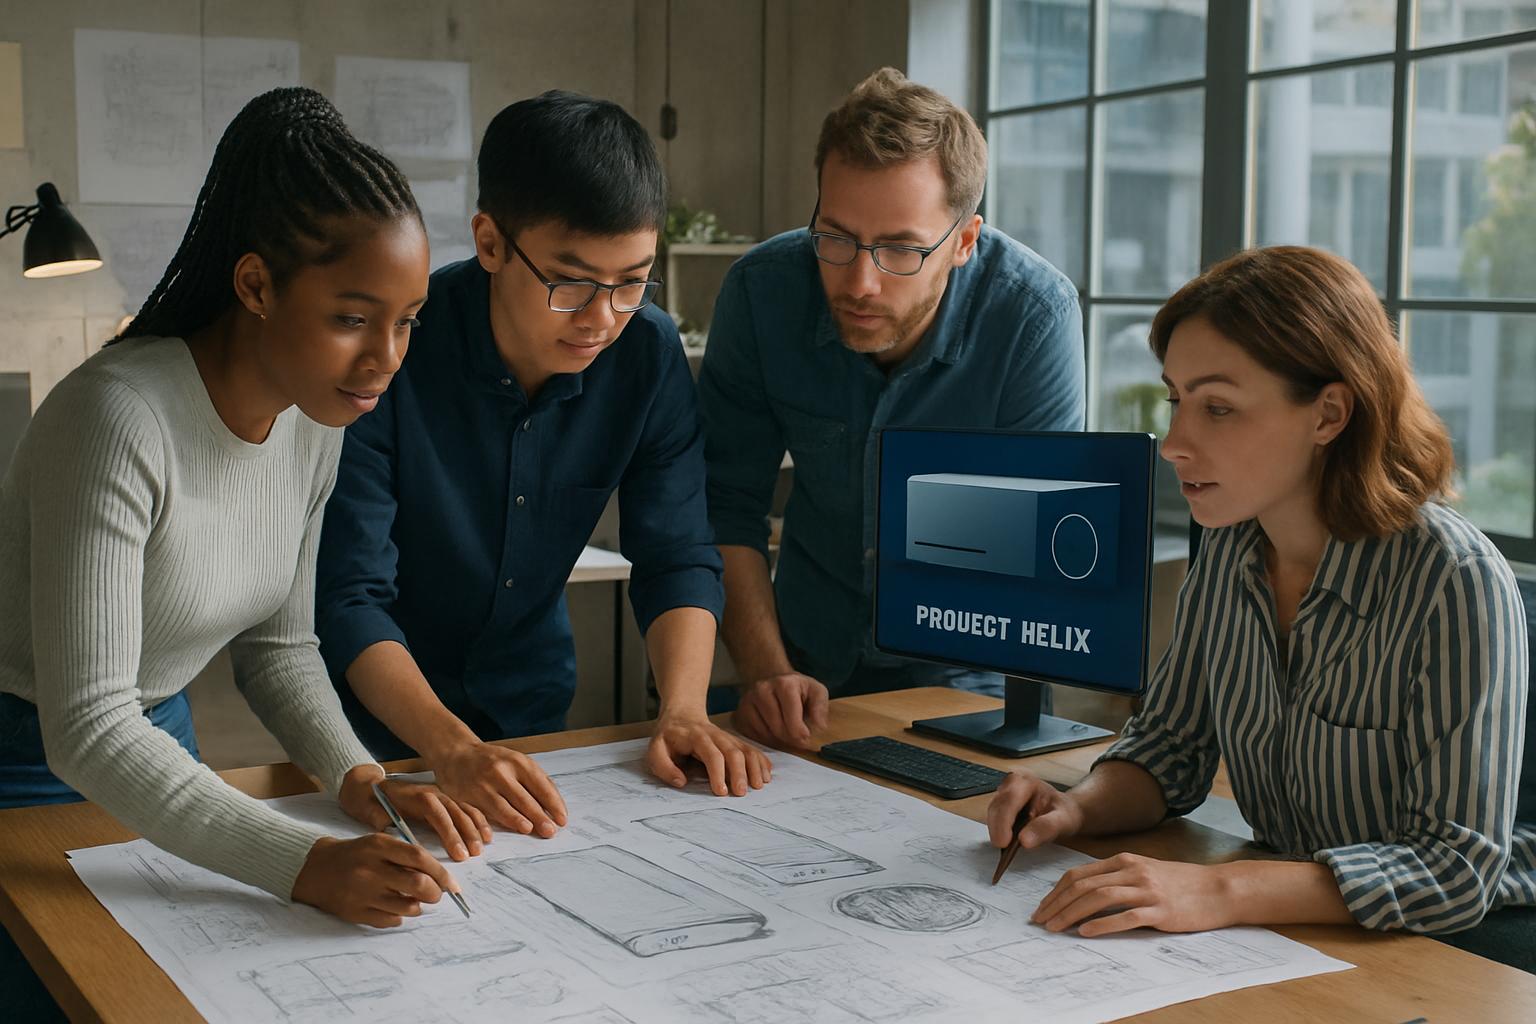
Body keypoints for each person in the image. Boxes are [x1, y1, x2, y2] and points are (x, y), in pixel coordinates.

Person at [0, 87, 493, 1017]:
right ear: (258, 285)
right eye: (354, 317)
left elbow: (281, 647)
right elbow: (87, 725)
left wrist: (362, 780)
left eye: (408, 318)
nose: (387, 357)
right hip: (23, 758)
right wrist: (301, 863)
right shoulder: (118, 418)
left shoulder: (318, 415)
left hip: (153, 737)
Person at [986, 246, 1535, 969]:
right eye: (1176, 400)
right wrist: (1078, 806)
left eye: (1218, 407)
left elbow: (1455, 871)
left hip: (1461, 951)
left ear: (1329, 414)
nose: (1176, 444)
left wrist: (1219, 891)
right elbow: (1169, 749)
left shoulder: (1454, 582)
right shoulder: (1229, 550)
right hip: (1289, 927)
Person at [314, 90, 771, 839]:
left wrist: (683, 710)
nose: (602, 318)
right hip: (375, 723)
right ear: (490, 242)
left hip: (533, 709)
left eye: (632, 281)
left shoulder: (647, 355)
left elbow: (678, 555)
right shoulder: (396, 351)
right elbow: (347, 595)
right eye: (572, 281)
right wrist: (451, 747)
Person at [697, 68, 1085, 750]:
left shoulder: (1032, 316)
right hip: (798, 663)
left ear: (964, 241)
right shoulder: (762, 293)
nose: (860, 282)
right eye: (836, 237)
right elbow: (726, 503)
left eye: (902, 249)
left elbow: (1037, 554)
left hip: (969, 676)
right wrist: (765, 672)